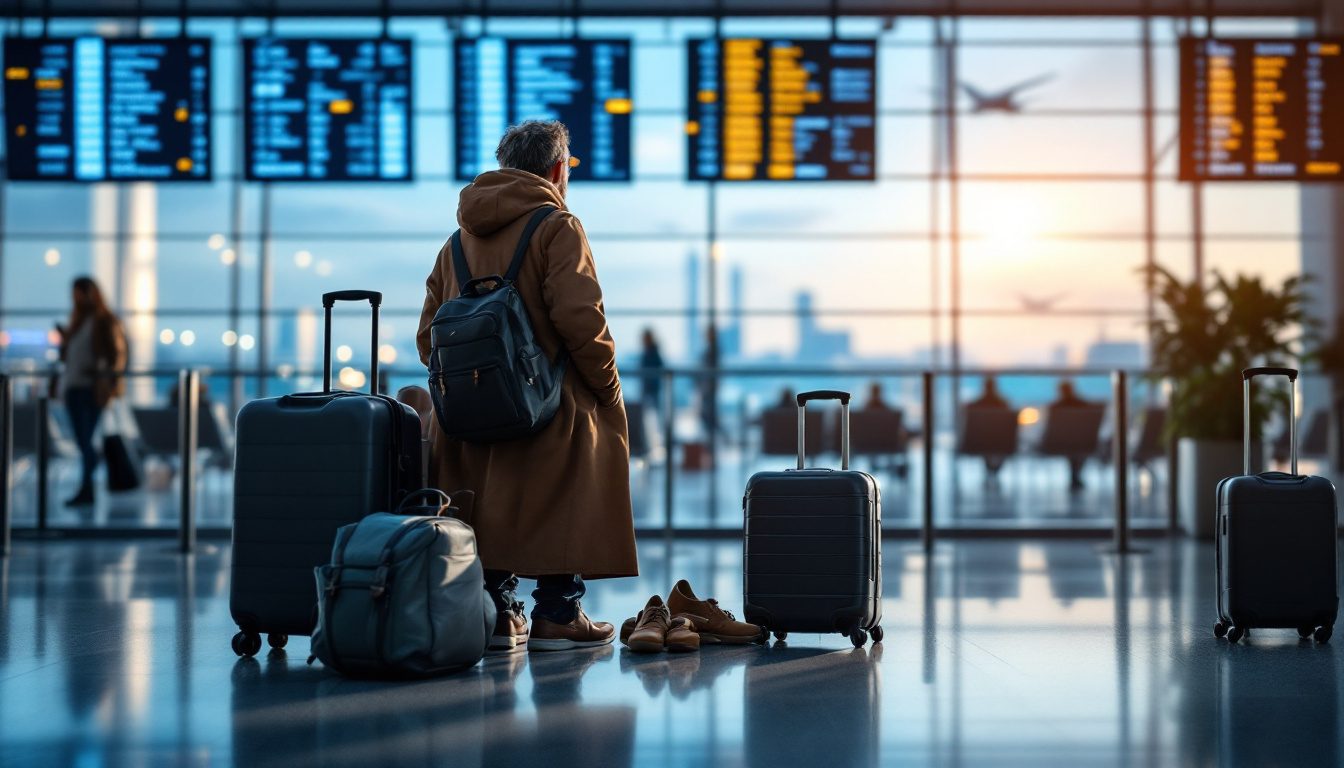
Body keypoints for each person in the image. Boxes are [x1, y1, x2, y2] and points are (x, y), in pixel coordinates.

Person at [417, 120, 637, 654]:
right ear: (558, 169)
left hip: (468, 414)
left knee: (487, 487)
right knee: (585, 437)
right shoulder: (558, 226)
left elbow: (429, 336)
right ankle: (560, 612)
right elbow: (582, 321)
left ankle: (495, 611)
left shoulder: (459, 240)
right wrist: (608, 390)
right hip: (545, 406)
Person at [56, 277, 127, 506]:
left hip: (91, 390)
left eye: (82, 292)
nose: (79, 298)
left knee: (86, 441)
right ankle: (87, 487)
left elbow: (118, 355)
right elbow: (68, 358)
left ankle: (87, 488)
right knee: (82, 441)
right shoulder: (78, 322)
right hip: (73, 387)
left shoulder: (104, 321)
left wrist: (105, 377)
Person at [1048, 380, 1090, 490]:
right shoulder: (1084, 406)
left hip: (1059, 443)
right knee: (1077, 449)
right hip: (1082, 442)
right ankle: (1076, 475)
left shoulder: (1055, 407)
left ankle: (1075, 475)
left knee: (1073, 448)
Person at [967, 375, 1011, 480]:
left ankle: (991, 470)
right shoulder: (1003, 404)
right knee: (999, 444)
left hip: (979, 442)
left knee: (986, 443)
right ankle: (994, 470)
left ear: (984, 387)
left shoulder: (974, 405)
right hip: (1000, 442)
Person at [638, 328, 664, 418]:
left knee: (656, 412)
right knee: (647, 413)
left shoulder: (653, 353)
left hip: (653, 387)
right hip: (648, 386)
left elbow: (659, 368)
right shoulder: (648, 352)